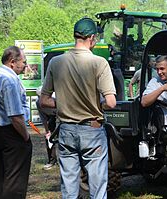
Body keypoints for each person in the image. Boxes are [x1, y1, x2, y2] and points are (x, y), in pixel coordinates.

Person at [40, 17, 116, 199]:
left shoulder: (56, 62)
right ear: (91, 38)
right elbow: (111, 102)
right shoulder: (99, 63)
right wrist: (95, 105)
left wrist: (66, 103)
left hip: (66, 130)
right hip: (92, 130)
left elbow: (44, 101)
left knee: (69, 187)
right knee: (98, 188)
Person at [0, 46, 32, 199]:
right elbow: (15, 116)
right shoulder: (10, 80)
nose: (26, 66)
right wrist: (26, 137)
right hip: (11, 132)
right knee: (15, 180)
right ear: (12, 62)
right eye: (24, 62)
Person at [36, 87, 57, 170]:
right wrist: (47, 131)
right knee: (49, 138)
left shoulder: (55, 99)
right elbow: (43, 118)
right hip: (51, 117)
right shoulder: (38, 103)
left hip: (61, 116)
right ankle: (52, 160)